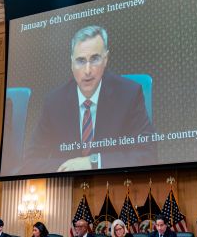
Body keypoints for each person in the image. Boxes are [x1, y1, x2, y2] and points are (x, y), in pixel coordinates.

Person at [23, 25, 157, 174]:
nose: (87, 71)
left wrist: (93, 162)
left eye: (94, 59)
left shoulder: (129, 94)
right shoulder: (54, 102)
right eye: (80, 61)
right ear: (71, 63)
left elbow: (147, 154)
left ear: (105, 59)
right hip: (68, 188)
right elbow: (31, 160)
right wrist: (71, 166)